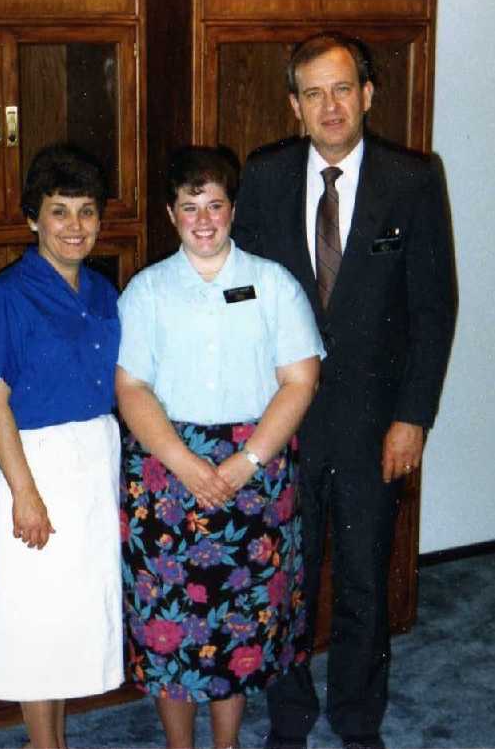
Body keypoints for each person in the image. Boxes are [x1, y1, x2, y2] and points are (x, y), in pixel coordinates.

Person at [233, 32, 456, 749]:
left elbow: (432, 308)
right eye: (312, 93)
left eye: (341, 89)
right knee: (285, 581)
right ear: (293, 105)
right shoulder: (262, 178)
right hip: (283, 421)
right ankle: (289, 718)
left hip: (371, 425)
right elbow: (243, 303)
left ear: (367, 94)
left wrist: (411, 419)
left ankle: (359, 723)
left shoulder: (412, 178)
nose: (329, 106)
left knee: (362, 581)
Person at [116, 145, 325, 749]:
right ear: (170, 213)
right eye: (190, 207)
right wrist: (183, 461)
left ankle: (226, 745)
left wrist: (246, 461)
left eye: (215, 205)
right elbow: (131, 386)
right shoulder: (147, 291)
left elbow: (301, 379)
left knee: (234, 630)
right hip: (164, 472)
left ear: (233, 209)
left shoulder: (273, 283)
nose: (203, 220)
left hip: (254, 467)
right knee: (170, 626)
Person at [0, 144, 123, 749]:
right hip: (36, 464)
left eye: (87, 212)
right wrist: (25, 496)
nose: (75, 227)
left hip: (95, 460)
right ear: (33, 217)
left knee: (70, 613)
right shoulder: (4, 297)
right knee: (36, 617)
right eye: (60, 212)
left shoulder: (105, 293)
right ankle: (45, 745)